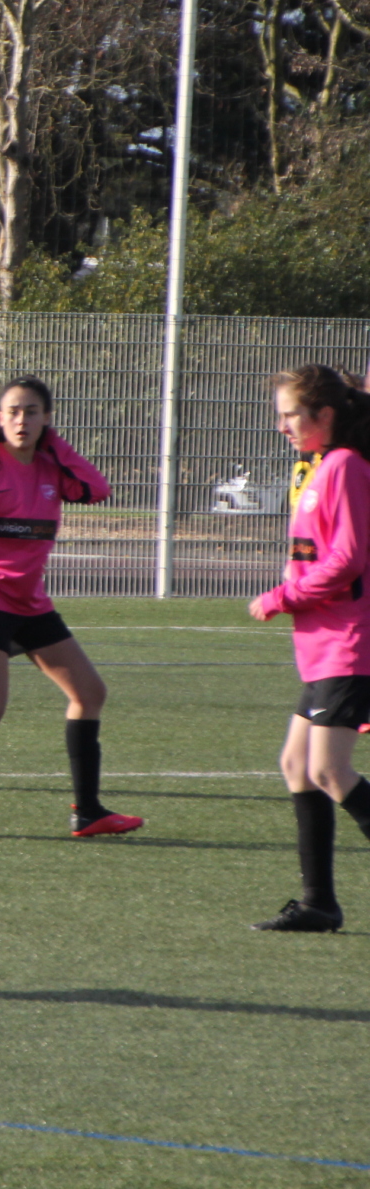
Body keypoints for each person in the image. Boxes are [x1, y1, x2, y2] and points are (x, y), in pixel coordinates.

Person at [0, 376, 142, 839]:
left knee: (90, 693)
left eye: (32, 412)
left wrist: (56, 446)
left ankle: (88, 812)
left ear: (47, 419)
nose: (22, 420)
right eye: (13, 411)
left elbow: (96, 489)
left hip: (29, 600)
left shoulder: (50, 468)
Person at [247, 364, 370, 933]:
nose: (282, 425)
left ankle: (321, 903)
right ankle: (319, 903)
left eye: (291, 414)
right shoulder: (318, 466)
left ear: (324, 416)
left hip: (350, 645)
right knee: (298, 764)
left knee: (327, 769)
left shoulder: (344, 466)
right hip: (324, 647)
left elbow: (347, 560)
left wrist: (284, 595)